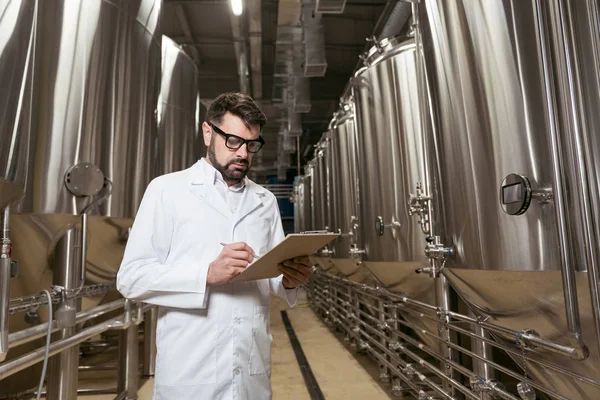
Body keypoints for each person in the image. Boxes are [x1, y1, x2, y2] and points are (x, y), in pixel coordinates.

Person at [116, 92, 313, 400]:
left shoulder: (265, 201)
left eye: (251, 145)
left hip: (250, 372)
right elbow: (131, 278)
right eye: (233, 141)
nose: (243, 154)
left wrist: (290, 279)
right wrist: (206, 274)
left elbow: (274, 277)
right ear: (208, 132)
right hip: (190, 374)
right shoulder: (167, 191)